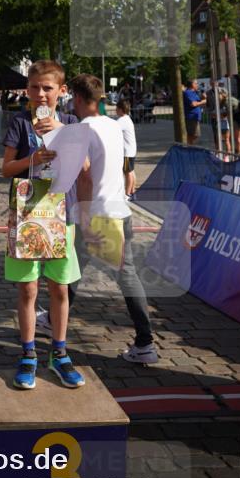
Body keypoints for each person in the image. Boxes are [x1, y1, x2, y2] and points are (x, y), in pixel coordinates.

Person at [2, 60, 84, 391]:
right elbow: (7, 168)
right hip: (25, 214)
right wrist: (32, 159)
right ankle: (28, 353)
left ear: (61, 92)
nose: (40, 94)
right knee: (28, 288)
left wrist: (60, 136)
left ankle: (60, 353)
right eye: (35, 87)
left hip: (61, 214)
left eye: (48, 88)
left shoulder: (71, 123)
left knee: (59, 287)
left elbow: (84, 166)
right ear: (27, 90)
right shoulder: (19, 122)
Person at [68, 74, 158, 364]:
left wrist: (82, 213)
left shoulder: (83, 128)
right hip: (118, 210)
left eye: (72, 97)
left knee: (125, 276)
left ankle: (145, 342)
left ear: (78, 98)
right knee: (74, 265)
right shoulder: (113, 125)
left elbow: (84, 174)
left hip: (99, 212)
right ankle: (56, 314)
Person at [115, 99, 137, 198]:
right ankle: (132, 190)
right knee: (131, 171)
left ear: (120, 109)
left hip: (126, 152)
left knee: (127, 172)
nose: (115, 110)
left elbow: (113, 129)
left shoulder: (122, 120)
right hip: (131, 150)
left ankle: (127, 194)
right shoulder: (127, 118)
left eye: (116, 108)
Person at [182, 78, 206, 145]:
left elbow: (198, 101)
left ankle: (189, 146)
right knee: (194, 134)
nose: (197, 85)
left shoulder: (194, 92)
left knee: (194, 134)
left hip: (195, 117)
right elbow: (193, 104)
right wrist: (203, 101)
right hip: (191, 117)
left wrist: (203, 98)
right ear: (192, 84)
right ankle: (188, 146)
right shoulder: (188, 92)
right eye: (196, 83)